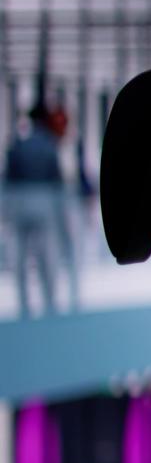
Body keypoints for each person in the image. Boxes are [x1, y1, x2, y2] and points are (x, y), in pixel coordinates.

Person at [4, 102, 76, 318]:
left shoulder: (18, 144)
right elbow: (56, 179)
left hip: (20, 200)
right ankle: (49, 299)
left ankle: (24, 302)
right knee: (46, 254)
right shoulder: (48, 146)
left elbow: (9, 178)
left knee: (22, 256)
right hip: (44, 201)